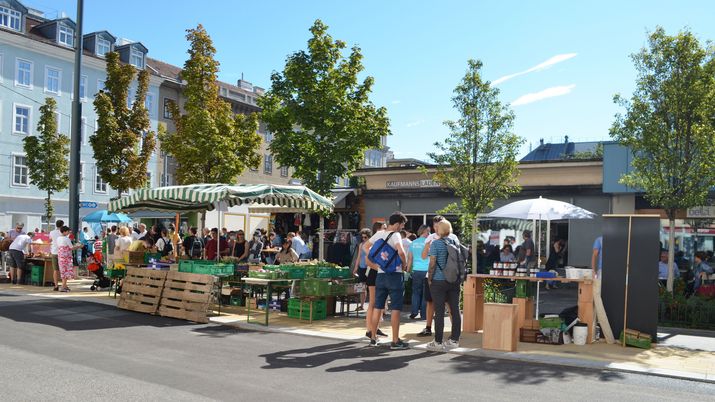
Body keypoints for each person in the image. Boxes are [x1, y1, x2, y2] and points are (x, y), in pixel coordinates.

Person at [363, 212, 409, 350]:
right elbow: (401, 252)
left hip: (380, 275)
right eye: (402, 225)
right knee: (395, 308)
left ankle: (373, 337)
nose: (402, 228)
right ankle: (395, 341)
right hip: (394, 275)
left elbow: (366, 247)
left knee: (378, 306)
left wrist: (377, 264)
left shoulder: (379, 233)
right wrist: (405, 264)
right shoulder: (395, 235)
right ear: (397, 224)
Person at [419, 215, 461, 337]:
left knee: (448, 306)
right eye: (435, 226)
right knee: (431, 303)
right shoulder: (431, 238)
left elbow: (432, 262)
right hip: (449, 277)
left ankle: (444, 337)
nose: (436, 229)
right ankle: (429, 328)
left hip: (439, 277)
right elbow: (423, 256)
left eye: (438, 226)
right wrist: (428, 245)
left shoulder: (452, 238)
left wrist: (430, 277)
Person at [407, 224, 430, 320]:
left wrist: (408, 270)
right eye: (428, 231)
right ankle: (424, 314)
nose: (429, 233)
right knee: (425, 293)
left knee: (415, 292)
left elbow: (410, 258)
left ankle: (414, 312)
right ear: (424, 231)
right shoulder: (429, 243)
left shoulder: (413, 243)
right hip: (426, 270)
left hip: (416, 270)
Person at [56, 226, 82, 292]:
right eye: (67, 231)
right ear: (64, 231)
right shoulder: (66, 239)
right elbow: (72, 248)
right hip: (67, 257)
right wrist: (79, 246)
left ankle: (65, 285)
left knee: (63, 271)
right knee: (66, 272)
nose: (68, 233)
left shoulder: (58, 238)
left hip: (60, 257)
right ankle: (63, 287)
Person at [352, 228, 372, 311]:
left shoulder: (372, 244)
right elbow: (359, 256)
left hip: (370, 267)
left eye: (365, 237)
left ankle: (371, 306)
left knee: (371, 287)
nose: (363, 239)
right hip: (362, 267)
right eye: (362, 237)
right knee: (362, 286)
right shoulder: (361, 244)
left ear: (369, 237)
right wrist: (356, 267)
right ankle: (362, 305)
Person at [49, 220, 64, 291]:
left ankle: (56, 285)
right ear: (62, 225)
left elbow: (50, 240)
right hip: (62, 252)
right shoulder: (63, 232)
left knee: (55, 270)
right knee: (63, 269)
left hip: (54, 251)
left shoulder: (52, 232)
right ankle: (64, 285)